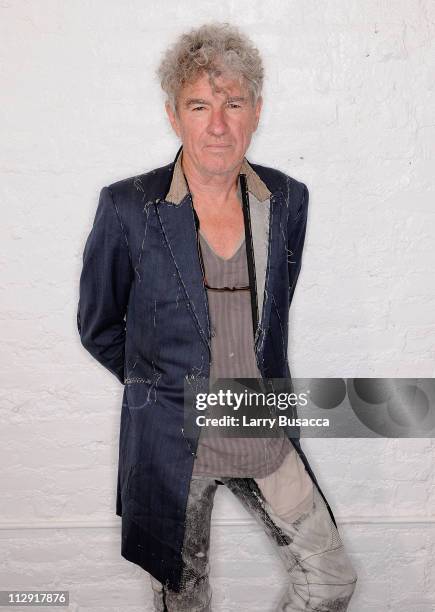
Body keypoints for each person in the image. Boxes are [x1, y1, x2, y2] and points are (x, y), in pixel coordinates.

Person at [77, 22, 358, 611]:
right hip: (171, 443)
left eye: (233, 103)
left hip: (261, 425)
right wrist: (163, 388)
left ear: (257, 110)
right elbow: (99, 326)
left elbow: (270, 318)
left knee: (331, 580)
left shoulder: (286, 198)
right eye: (199, 105)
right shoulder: (129, 206)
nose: (218, 124)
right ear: (174, 115)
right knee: (185, 602)